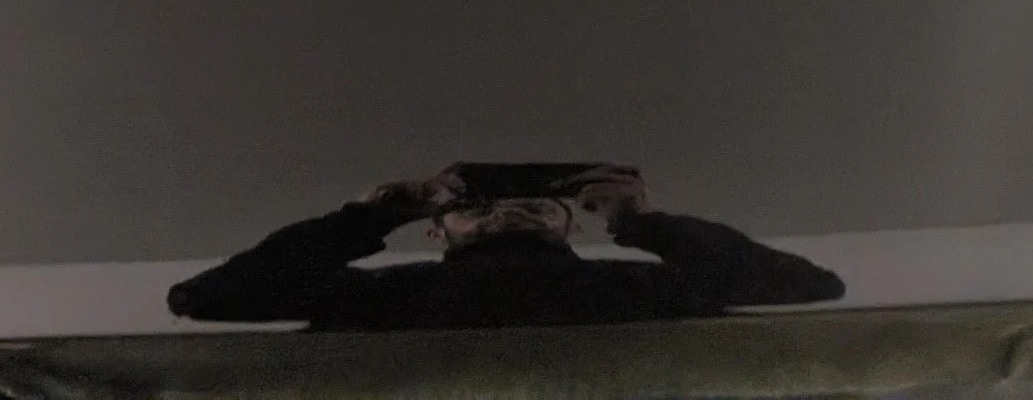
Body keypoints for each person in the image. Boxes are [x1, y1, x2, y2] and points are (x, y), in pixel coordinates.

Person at [167, 165, 843, 329]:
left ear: (567, 222)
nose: (506, 208)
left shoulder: (639, 286)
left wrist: (644, 222)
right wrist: (367, 218)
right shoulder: (385, 297)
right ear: (438, 230)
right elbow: (208, 298)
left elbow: (809, 285)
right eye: (475, 206)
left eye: (532, 202)